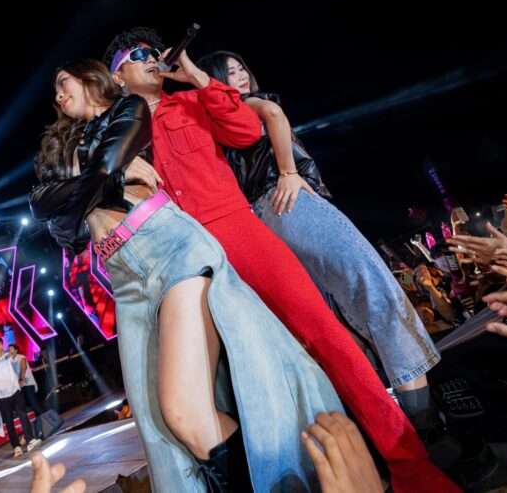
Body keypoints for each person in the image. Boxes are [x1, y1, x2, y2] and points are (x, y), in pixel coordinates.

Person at [102, 28, 458, 493]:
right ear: (117, 77)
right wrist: (118, 166)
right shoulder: (114, 137)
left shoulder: (191, 101)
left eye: (154, 50)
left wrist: (195, 76)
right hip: (181, 258)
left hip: (237, 231)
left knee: (325, 336)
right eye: (137, 55)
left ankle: (410, 464)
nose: (151, 57)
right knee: (234, 381)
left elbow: (246, 130)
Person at [30, 59, 346, 492]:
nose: (58, 95)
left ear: (90, 78)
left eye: (63, 82)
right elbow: (51, 218)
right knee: (159, 427)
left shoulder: (127, 110)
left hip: (168, 247)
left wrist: (94, 180)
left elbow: (97, 172)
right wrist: (111, 180)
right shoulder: (64, 144)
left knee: (183, 412)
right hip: (122, 276)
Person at [198, 49, 443, 430]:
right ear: (215, 81)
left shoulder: (216, 125)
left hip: (262, 220)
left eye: (242, 66)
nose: (241, 74)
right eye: (229, 71)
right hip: (289, 203)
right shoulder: (247, 104)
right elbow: (274, 113)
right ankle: (426, 420)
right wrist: (288, 171)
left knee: (333, 318)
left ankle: (385, 421)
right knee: (374, 286)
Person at [0, 337, 40, 457]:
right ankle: (16, 446)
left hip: (15, 391)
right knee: (9, 422)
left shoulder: (8, 356)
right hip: (1, 396)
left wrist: (11, 353)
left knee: (23, 415)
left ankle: (30, 439)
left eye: (0, 344)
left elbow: (18, 360)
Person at [8, 343, 46, 440]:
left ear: (16, 350)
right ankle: (39, 429)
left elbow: (23, 368)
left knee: (34, 404)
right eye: (8, 349)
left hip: (27, 384)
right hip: (20, 387)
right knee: (25, 408)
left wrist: (21, 380)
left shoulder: (21, 357)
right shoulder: (10, 362)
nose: (9, 351)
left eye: (11, 349)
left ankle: (49, 419)